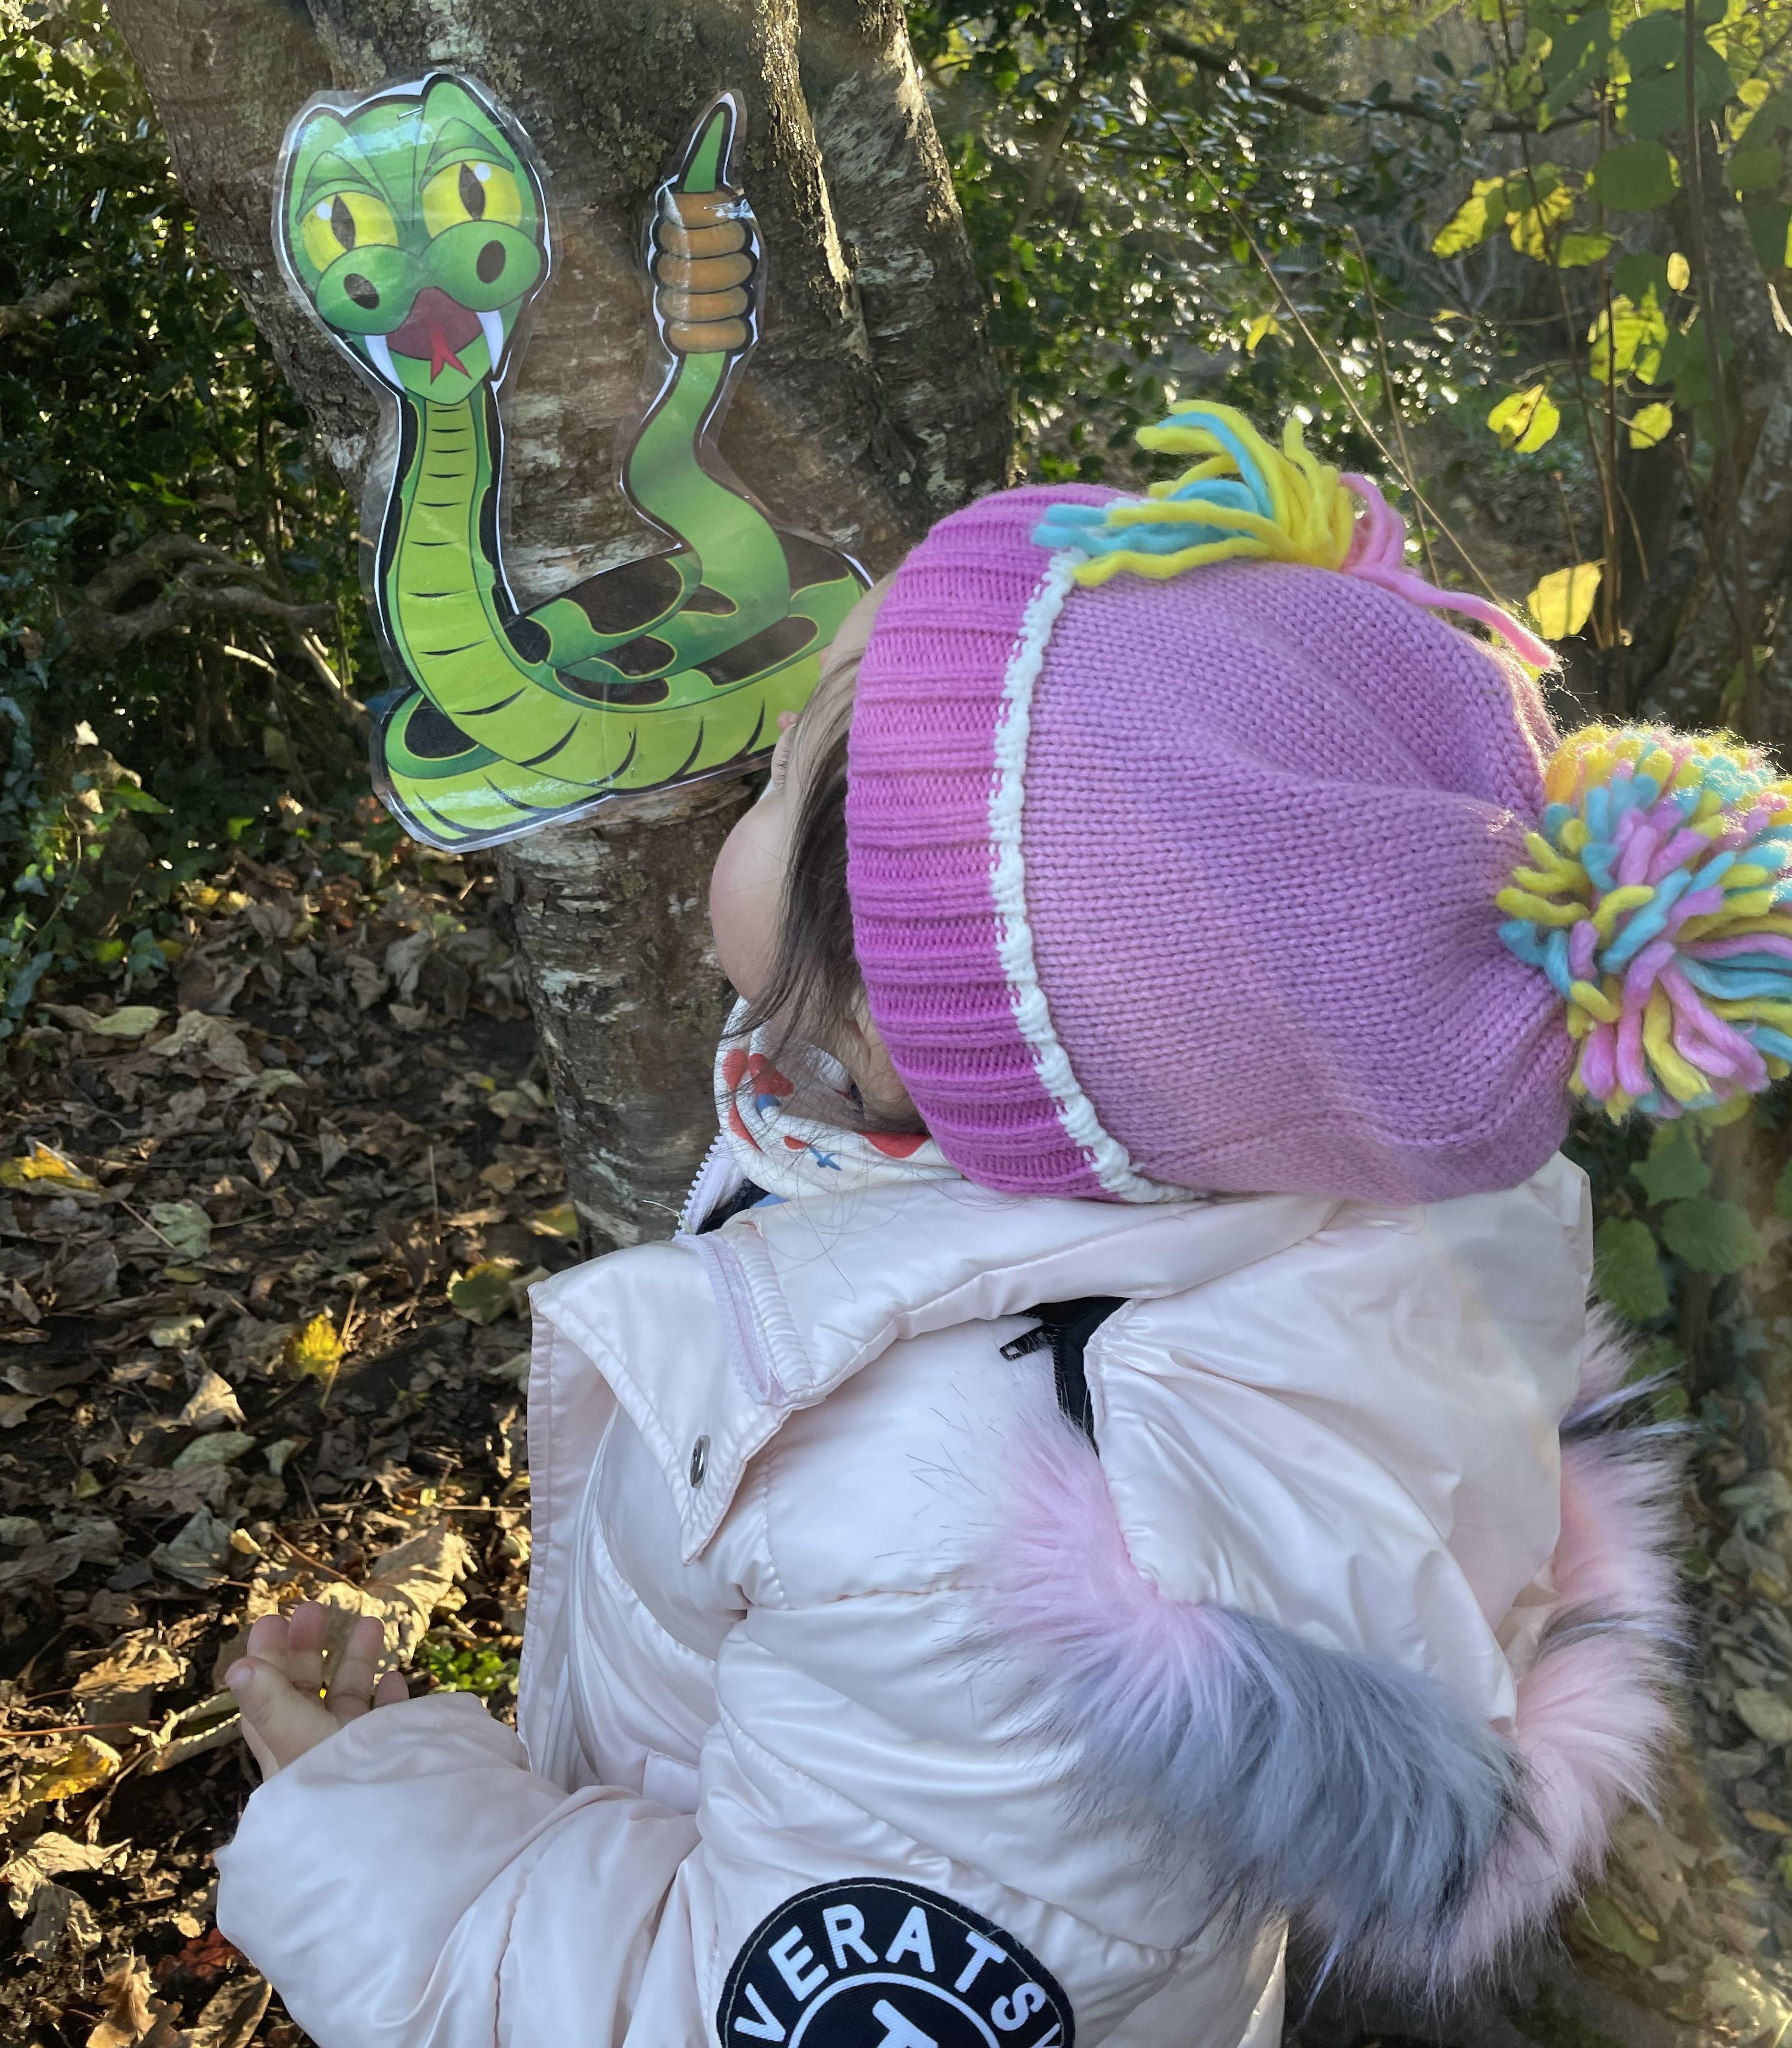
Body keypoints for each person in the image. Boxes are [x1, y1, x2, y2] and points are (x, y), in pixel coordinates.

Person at [215, 404, 1781, 2048]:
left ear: (922, 1014)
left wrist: (391, 1826)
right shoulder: (1248, 1207)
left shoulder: (962, 1550)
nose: (740, 785)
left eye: (780, 780)